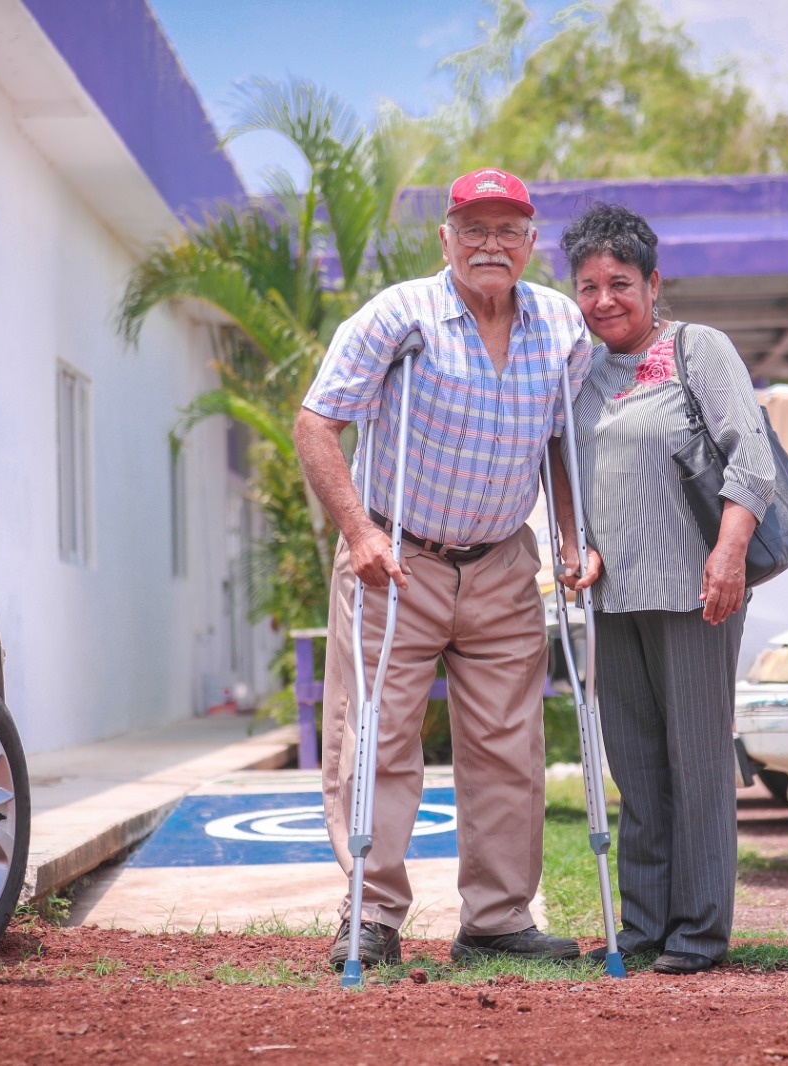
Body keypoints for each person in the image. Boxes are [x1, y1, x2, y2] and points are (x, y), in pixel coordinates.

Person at [294, 167, 594, 970]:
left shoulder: (561, 326)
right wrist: (359, 533)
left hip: (501, 562)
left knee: (508, 747)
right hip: (396, 558)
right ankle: (371, 915)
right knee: (378, 738)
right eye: (474, 229)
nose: (490, 244)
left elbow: (561, 443)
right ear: (446, 239)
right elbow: (317, 423)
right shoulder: (399, 314)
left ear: (531, 242)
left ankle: (497, 918)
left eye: (507, 230)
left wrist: (571, 539)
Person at [557, 202, 777, 975]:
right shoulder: (582, 376)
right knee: (638, 771)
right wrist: (577, 545)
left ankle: (699, 932)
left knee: (698, 766)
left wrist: (729, 554)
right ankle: (645, 926)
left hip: (696, 595)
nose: (604, 300)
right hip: (614, 601)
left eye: (620, 283)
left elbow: (752, 457)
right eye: (589, 287)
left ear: (653, 284)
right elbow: (566, 470)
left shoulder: (695, 350)